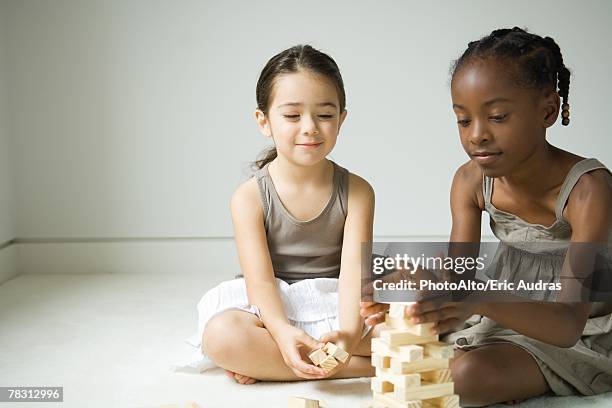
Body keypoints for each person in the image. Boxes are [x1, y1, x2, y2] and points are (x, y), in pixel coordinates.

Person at [360, 27, 612, 406]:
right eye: (463, 120)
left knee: (462, 377)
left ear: (547, 109)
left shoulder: (588, 190)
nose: (476, 135)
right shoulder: (469, 181)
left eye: (496, 117)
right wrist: (417, 283)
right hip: (498, 313)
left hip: (580, 330)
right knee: (386, 337)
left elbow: (565, 326)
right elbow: (458, 281)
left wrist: (478, 296)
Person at [197, 45, 376, 384]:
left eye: (325, 115)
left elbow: (354, 271)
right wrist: (279, 331)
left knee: (417, 314)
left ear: (342, 118)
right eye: (292, 116)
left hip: (340, 301)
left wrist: (350, 334)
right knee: (222, 335)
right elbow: (260, 282)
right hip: (275, 306)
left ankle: (273, 366)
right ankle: (363, 367)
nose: (310, 128)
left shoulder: (358, 191)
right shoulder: (249, 197)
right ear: (264, 121)